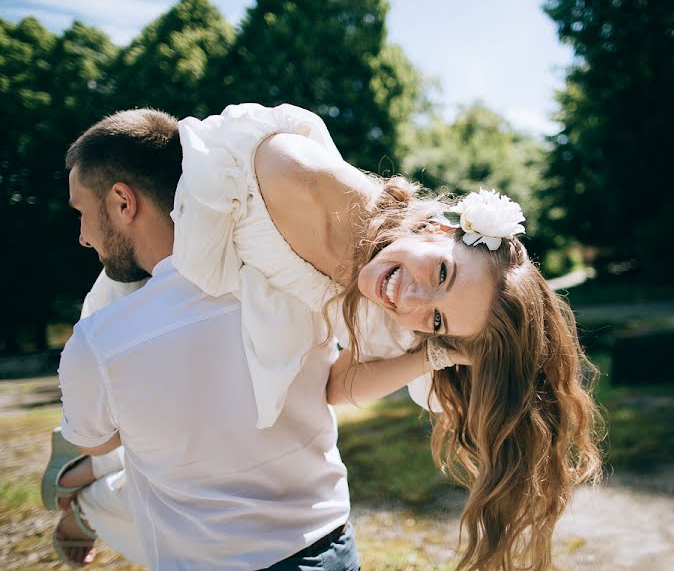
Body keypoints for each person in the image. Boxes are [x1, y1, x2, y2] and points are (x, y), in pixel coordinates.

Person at [48, 103, 603, 570]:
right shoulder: (294, 177)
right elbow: (171, 206)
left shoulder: (388, 300)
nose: (409, 300)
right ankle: (88, 474)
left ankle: (90, 486)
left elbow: (335, 388)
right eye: (441, 274)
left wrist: (435, 352)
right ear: (439, 228)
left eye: (436, 318)